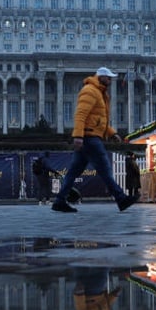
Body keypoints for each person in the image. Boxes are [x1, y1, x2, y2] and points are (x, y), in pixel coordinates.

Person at [51, 67, 137, 213]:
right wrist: (77, 136)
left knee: (73, 172)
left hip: (89, 137)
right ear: (101, 77)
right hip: (90, 138)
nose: (110, 80)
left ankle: (59, 200)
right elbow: (80, 114)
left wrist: (111, 133)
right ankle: (121, 199)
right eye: (108, 78)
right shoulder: (90, 90)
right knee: (105, 169)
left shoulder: (99, 93)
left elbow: (98, 120)